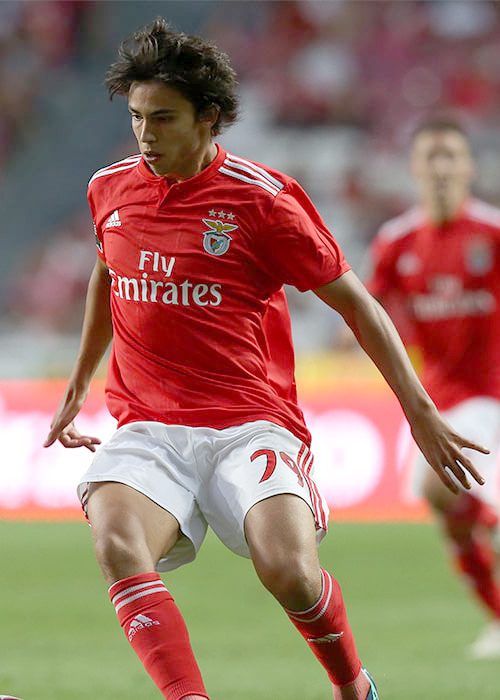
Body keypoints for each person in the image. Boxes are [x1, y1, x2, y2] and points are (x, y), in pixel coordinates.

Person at [44, 20, 487, 700]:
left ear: (210, 117)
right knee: (117, 541)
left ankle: (353, 686)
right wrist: (79, 382)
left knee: (290, 572)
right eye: (136, 117)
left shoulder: (263, 200)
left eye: (163, 119)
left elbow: (359, 306)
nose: (144, 135)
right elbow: (109, 273)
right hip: (148, 425)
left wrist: (419, 414)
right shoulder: (110, 188)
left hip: (249, 423)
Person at [367, 116, 500, 659]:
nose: (441, 167)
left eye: (451, 157)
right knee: (449, 511)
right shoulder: (396, 242)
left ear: (469, 168)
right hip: (435, 400)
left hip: (490, 396)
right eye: (431, 157)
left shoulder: (492, 233)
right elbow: (370, 311)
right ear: (415, 168)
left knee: (436, 487)